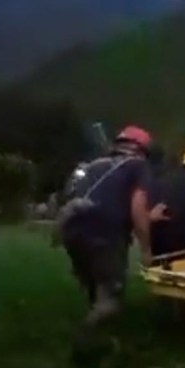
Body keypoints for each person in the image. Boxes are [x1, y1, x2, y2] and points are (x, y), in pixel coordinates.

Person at [56, 125, 153, 327]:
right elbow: (138, 205)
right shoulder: (137, 166)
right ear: (141, 149)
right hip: (105, 234)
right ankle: (86, 340)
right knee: (110, 297)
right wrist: (146, 248)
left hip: (72, 232)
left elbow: (69, 194)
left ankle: (100, 326)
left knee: (94, 287)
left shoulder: (93, 165)